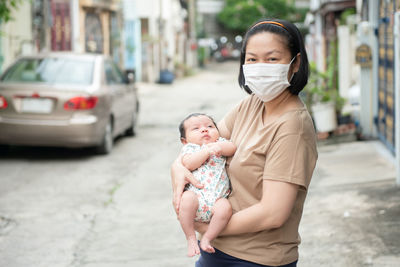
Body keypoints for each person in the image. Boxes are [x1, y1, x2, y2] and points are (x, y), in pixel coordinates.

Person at [171, 18, 318, 267]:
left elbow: (273, 213)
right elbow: (204, 142)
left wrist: (203, 226)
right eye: (252, 59)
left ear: (296, 63)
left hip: (256, 258)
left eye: (272, 59)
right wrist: (178, 169)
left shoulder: (291, 126)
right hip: (216, 251)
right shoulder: (251, 105)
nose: (260, 67)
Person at [177, 113, 236, 257]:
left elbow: (232, 148)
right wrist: (206, 151)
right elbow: (189, 164)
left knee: (225, 207)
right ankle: (191, 238)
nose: (204, 130)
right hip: (197, 200)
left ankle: (208, 238)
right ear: (184, 141)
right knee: (187, 198)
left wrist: (218, 146)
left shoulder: (219, 143)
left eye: (210, 126)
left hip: (217, 201)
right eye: (196, 129)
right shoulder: (190, 149)